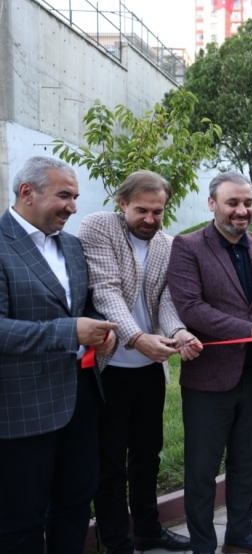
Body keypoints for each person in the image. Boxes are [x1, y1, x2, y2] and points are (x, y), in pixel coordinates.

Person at [167, 171, 252, 554]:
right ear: (212, 204)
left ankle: (240, 534)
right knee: (202, 470)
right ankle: (203, 544)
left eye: (247, 203)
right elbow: (191, 309)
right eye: (232, 203)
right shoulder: (188, 247)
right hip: (209, 379)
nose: (242, 211)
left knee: (246, 462)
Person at [0, 156, 118, 552]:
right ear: (27, 192)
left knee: (73, 505)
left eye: (75, 196)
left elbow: (84, 307)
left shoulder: (71, 244)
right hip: (22, 410)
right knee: (22, 518)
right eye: (64, 195)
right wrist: (70, 331)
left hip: (81, 398)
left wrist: (101, 329)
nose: (73, 207)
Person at [79, 171, 199, 553]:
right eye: (141, 210)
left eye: (158, 211)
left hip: (150, 370)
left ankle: (148, 529)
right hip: (109, 367)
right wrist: (136, 338)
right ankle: (116, 541)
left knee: (148, 455)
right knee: (111, 462)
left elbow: (166, 300)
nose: (149, 219)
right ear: (122, 203)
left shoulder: (167, 244)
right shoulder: (99, 227)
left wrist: (178, 332)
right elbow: (106, 290)